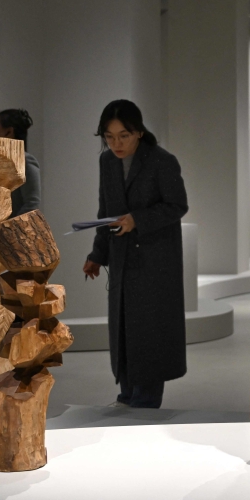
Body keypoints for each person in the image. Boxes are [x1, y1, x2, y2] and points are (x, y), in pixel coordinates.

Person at [83, 100, 189, 409]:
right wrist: (97, 254)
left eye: (123, 136)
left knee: (149, 330)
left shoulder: (162, 161)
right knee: (124, 327)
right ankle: (127, 394)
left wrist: (137, 219)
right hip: (122, 259)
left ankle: (145, 400)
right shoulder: (107, 162)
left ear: (139, 132)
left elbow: (177, 206)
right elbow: (105, 212)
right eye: (109, 136)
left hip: (156, 260)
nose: (116, 144)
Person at [0, 108, 41, 217]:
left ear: (9, 132)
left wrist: (7, 227)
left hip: (15, 227)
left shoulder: (26, 161)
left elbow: (31, 205)